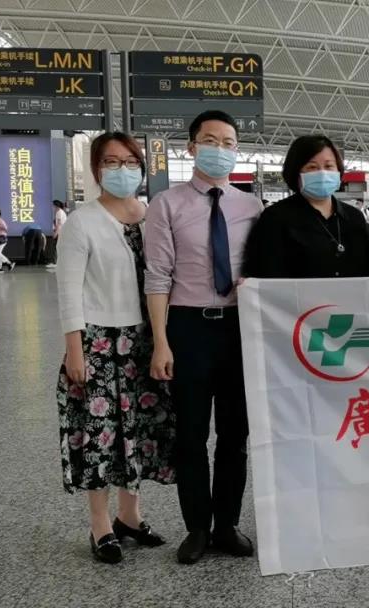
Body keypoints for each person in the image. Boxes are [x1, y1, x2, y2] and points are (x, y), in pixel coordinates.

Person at [143, 110, 263, 564]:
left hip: (237, 329)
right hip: (188, 327)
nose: (220, 149)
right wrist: (161, 341)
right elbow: (158, 277)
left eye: (228, 142)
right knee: (190, 435)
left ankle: (227, 524)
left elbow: (260, 268)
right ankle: (196, 527)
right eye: (210, 140)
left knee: (235, 434)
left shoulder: (251, 206)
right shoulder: (166, 205)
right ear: (191, 147)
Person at [55, 132, 175, 564]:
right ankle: (100, 524)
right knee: (99, 436)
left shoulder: (152, 217)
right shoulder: (82, 222)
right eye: (111, 161)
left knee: (137, 433)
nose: (121, 170)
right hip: (99, 343)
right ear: (96, 169)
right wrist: (75, 350)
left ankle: (130, 516)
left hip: (145, 341)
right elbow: (68, 291)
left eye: (130, 161)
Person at [243, 135, 369, 279]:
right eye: (312, 167)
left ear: (339, 171)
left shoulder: (355, 218)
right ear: (296, 173)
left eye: (329, 166)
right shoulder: (275, 218)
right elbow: (265, 271)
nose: (322, 173)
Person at [47, 200, 69, 268]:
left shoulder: (59, 212)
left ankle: (55, 262)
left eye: (52, 206)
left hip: (60, 233)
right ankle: (57, 262)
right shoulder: (61, 212)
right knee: (57, 247)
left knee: (55, 247)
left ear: (55, 206)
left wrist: (55, 233)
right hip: (62, 233)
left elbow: (59, 224)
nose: (52, 207)